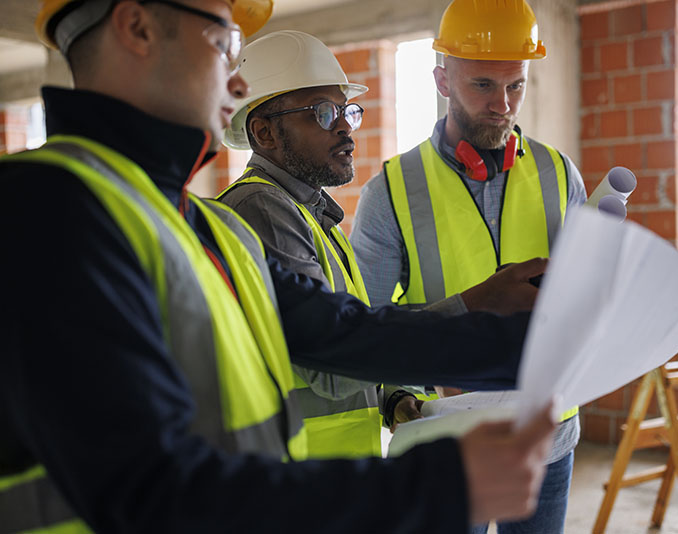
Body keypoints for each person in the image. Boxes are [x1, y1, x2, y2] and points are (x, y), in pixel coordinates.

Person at [0, 1, 558, 533]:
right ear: (137, 29)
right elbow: (152, 492)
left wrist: (536, 348)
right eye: (223, 43)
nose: (237, 84)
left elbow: (342, 332)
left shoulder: (205, 224)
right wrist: (435, 485)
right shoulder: (45, 210)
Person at [217, 30, 548, 459]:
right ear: (264, 133)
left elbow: (355, 328)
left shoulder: (314, 216)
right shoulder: (262, 209)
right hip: (295, 474)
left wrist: (391, 395)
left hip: (333, 472)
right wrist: (474, 305)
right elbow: (332, 363)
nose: (344, 127)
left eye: (346, 111)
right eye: (321, 112)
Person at [351, 0, 587, 532]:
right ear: (442, 79)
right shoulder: (392, 190)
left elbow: (583, 291)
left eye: (516, 85)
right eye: (483, 85)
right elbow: (362, 320)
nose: (502, 104)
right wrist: (397, 396)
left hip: (547, 429)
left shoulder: (557, 172)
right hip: (449, 437)